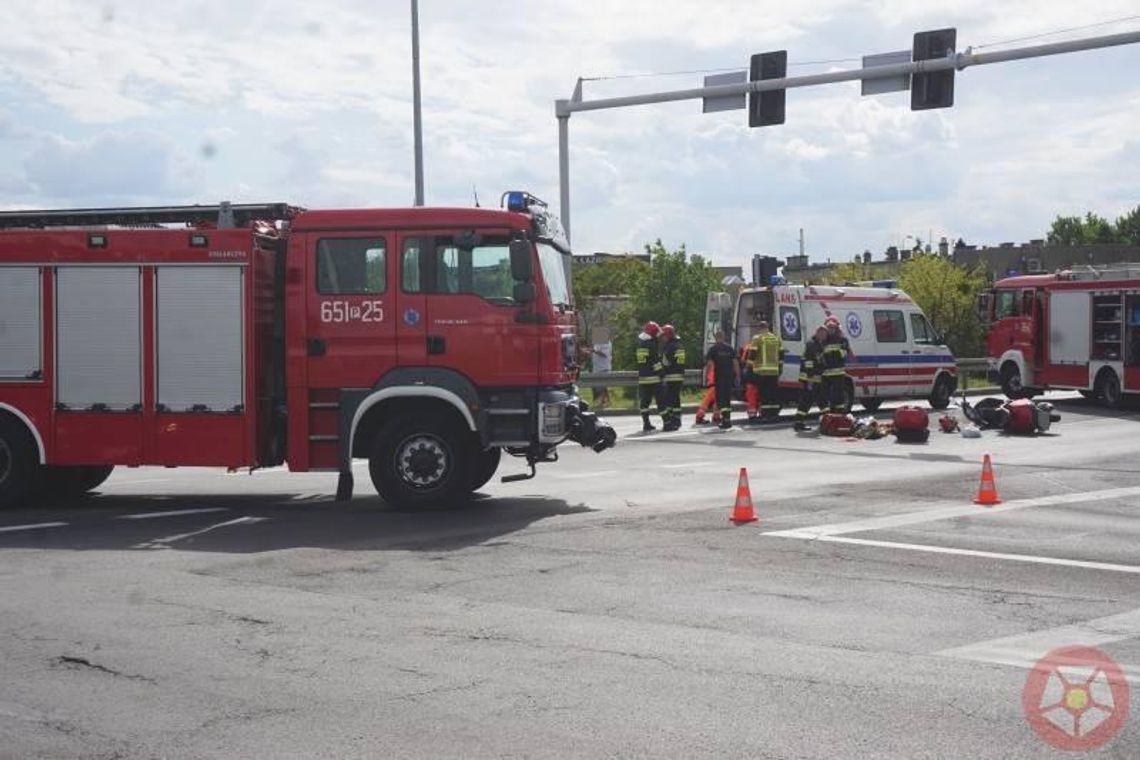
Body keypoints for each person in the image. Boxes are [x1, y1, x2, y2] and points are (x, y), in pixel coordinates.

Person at [750, 320, 785, 421]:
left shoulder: (758, 338)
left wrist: (749, 367)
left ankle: (765, 415)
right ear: (768, 327)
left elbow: (753, 354)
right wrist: (780, 367)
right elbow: (782, 354)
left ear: (759, 328)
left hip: (762, 371)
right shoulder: (776, 338)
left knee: (764, 394)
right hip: (774, 371)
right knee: (773, 393)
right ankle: (774, 414)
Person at [820, 315, 856, 414]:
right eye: (829, 327)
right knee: (825, 396)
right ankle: (828, 415)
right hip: (825, 373)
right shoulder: (822, 339)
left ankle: (839, 414)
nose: (830, 329)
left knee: (838, 395)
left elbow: (847, 353)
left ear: (837, 327)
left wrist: (835, 353)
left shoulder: (842, 339)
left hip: (838, 373)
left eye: (832, 327)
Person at [705, 330, 740, 429]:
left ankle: (725, 421)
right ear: (724, 337)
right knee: (727, 398)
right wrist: (738, 375)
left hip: (719, 377)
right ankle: (727, 419)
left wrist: (707, 376)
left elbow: (710, 364)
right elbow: (735, 363)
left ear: (716, 338)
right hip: (729, 377)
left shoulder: (713, 349)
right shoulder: (729, 348)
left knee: (721, 399)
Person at [794, 326, 827, 431]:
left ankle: (828, 420)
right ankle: (799, 423)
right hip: (810, 378)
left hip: (815, 378)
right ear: (818, 332)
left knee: (820, 400)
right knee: (808, 400)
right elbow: (809, 361)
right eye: (823, 334)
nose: (824, 336)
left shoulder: (818, 344)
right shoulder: (811, 344)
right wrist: (810, 377)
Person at [635, 321, 664, 432]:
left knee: (644, 403)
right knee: (661, 401)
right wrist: (661, 373)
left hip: (642, 378)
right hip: (653, 379)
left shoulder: (641, 345)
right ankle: (667, 423)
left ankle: (646, 423)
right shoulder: (651, 345)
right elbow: (655, 362)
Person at [659, 324, 686, 431]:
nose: (663, 338)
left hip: (670, 376)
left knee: (669, 400)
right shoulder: (680, 345)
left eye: (664, 336)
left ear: (668, 335)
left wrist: (661, 370)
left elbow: (665, 362)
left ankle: (672, 421)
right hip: (679, 376)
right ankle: (677, 420)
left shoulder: (669, 347)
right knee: (676, 400)